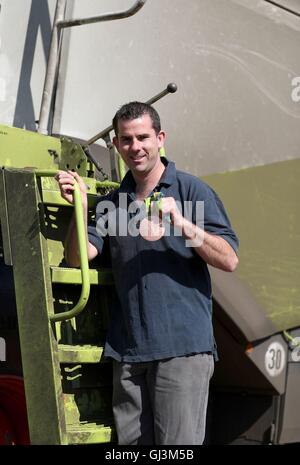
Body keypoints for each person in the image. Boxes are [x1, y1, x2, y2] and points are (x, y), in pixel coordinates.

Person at [55, 102, 239, 445]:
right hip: (127, 354)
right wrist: (80, 209)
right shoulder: (112, 203)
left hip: (182, 351)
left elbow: (229, 259)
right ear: (115, 144)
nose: (135, 147)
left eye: (142, 137)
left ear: (160, 138)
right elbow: (78, 258)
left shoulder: (191, 192)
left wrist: (181, 224)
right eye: (126, 140)